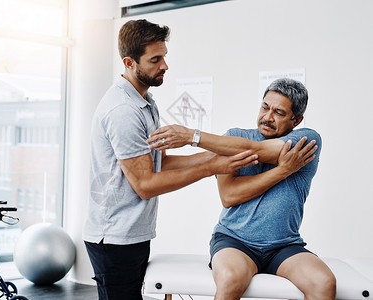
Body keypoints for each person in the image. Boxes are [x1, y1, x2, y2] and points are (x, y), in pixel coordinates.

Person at [82, 19, 260, 300]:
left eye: (164, 56)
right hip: (114, 238)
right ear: (129, 62)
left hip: (134, 232)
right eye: (155, 59)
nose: (164, 65)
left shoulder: (146, 101)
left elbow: (159, 163)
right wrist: (211, 166)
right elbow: (146, 184)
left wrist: (214, 154)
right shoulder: (123, 110)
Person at [147, 78, 336, 300]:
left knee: (324, 283)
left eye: (279, 112)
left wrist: (192, 136)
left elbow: (256, 150)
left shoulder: (307, 141)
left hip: (284, 245)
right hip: (235, 241)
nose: (267, 117)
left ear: (297, 120)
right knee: (230, 280)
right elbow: (229, 196)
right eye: (265, 107)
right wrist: (282, 171)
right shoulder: (235, 137)